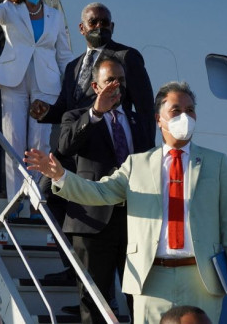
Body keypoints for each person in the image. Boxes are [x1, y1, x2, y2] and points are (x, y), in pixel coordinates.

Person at [25, 81, 227, 324]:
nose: (185, 116)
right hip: (151, 278)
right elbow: (99, 193)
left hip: (200, 278)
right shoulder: (136, 164)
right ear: (158, 119)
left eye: (190, 110)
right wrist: (60, 176)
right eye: (176, 110)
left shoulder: (217, 163)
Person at [58, 55, 155, 323]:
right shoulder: (76, 116)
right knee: (95, 302)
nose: (117, 85)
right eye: (110, 80)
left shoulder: (138, 122)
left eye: (121, 81)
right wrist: (97, 113)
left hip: (135, 223)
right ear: (96, 85)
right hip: (91, 223)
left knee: (141, 299)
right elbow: (65, 147)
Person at [0, 0, 73, 204]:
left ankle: (34, 196)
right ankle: (15, 199)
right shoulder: (10, 10)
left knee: (40, 140)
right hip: (14, 79)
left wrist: (71, 84)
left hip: (47, 81)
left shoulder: (55, 16)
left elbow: (63, 54)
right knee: (14, 139)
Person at [29, 2, 155, 139]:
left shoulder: (126, 56)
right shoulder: (72, 67)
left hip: (110, 147)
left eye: (104, 22)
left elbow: (145, 109)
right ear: (82, 28)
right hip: (75, 148)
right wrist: (45, 111)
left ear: (112, 27)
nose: (99, 26)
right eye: (93, 22)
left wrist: (148, 152)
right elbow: (66, 108)